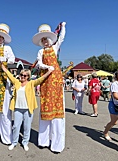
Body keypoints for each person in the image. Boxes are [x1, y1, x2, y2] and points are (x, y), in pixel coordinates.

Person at [0, 62, 54, 151]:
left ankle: (25, 142)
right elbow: (10, 75)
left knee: (27, 127)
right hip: (17, 108)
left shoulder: (31, 83)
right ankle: (14, 142)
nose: (22, 77)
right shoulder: (16, 82)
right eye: (21, 75)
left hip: (28, 109)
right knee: (16, 126)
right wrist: (4, 68)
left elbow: (41, 79)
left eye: (25, 76)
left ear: (28, 77)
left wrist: (49, 72)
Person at [32, 22, 66, 153]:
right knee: (46, 110)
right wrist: (47, 67)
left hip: (56, 81)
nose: (45, 41)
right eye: (43, 40)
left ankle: (57, 144)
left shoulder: (55, 48)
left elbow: (61, 38)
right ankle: (43, 141)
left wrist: (63, 27)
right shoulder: (40, 51)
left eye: (46, 39)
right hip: (46, 80)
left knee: (57, 112)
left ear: (50, 39)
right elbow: (39, 64)